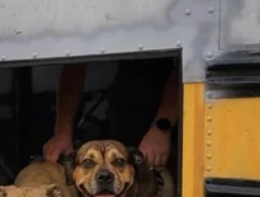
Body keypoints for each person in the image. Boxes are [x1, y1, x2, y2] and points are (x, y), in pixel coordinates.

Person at [42, 57, 180, 168]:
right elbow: (74, 62)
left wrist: (161, 128)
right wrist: (62, 133)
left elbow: (189, 67)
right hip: (126, 97)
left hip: (174, 101)